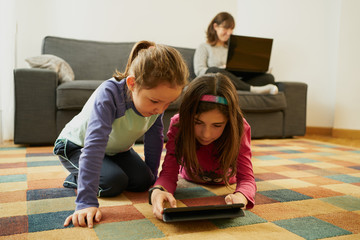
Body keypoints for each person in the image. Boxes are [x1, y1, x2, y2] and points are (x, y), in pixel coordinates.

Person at [53, 40, 189, 228]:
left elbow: (154, 138)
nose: (160, 110)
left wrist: (152, 181)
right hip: (76, 146)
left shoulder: (157, 102)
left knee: (143, 180)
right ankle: (77, 178)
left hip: (116, 149)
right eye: (155, 102)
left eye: (167, 104)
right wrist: (86, 201)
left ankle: (97, 173)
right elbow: (94, 146)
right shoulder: (109, 95)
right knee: (113, 182)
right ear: (132, 84)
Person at [149, 73, 256, 220]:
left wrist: (241, 196)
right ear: (187, 118)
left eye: (217, 125)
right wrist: (158, 191)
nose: (206, 134)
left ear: (229, 122)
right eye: (198, 122)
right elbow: (168, 173)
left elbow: (247, 179)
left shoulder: (239, 128)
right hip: (189, 176)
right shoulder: (178, 124)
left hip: (228, 179)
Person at [194, 12, 278, 95]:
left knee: (269, 78)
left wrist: (258, 70)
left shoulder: (232, 49)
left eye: (231, 29)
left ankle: (243, 86)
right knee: (213, 70)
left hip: (236, 80)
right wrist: (220, 69)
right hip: (218, 81)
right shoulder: (204, 47)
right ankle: (252, 89)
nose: (229, 32)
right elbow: (200, 71)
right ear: (215, 26)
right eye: (225, 29)